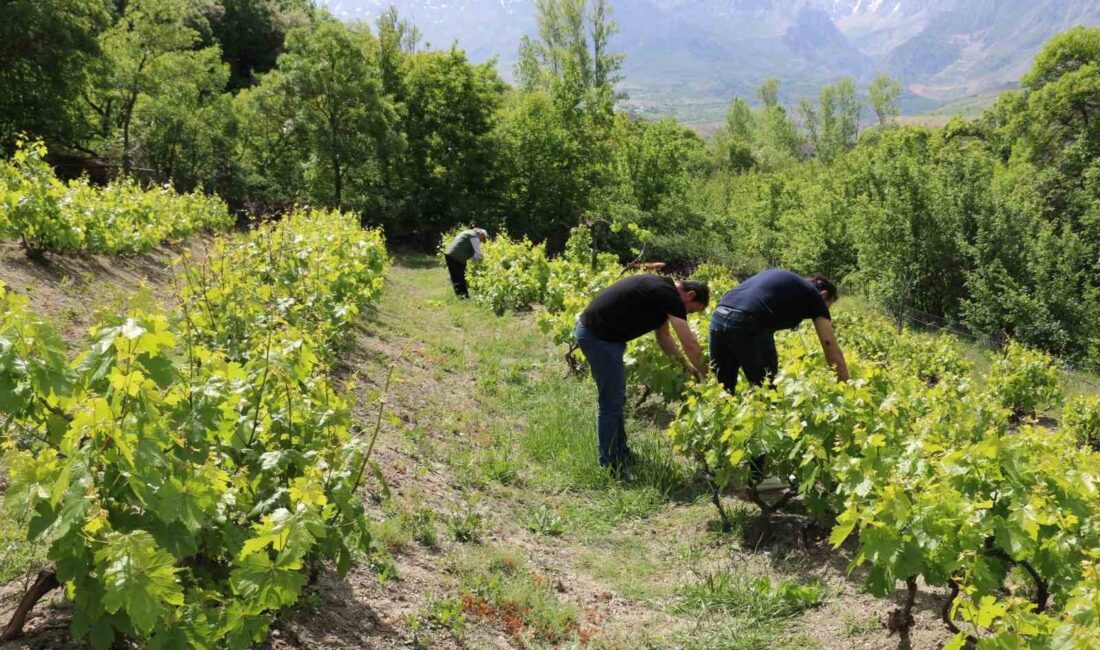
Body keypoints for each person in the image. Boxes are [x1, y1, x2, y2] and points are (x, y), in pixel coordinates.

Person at [575, 274, 711, 470]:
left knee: (616, 400)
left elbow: (664, 338)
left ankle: (621, 454)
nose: (685, 314)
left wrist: (687, 366)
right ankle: (611, 465)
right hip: (599, 339)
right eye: (690, 310)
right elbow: (689, 343)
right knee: (610, 403)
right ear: (689, 295)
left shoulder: (662, 290)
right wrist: (706, 374)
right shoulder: (669, 295)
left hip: (604, 338)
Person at [709, 269, 849, 394]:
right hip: (749, 323)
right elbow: (830, 346)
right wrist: (846, 390)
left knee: (723, 391)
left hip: (718, 317)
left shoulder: (787, 283)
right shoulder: (814, 296)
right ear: (824, 295)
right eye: (828, 307)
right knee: (766, 391)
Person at [443, 228, 488, 298]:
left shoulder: (467, 232)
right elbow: (478, 254)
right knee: (460, 277)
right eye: (482, 239)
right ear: (481, 235)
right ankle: (464, 297)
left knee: (455, 277)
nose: (481, 241)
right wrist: (482, 264)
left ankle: (460, 296)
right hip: (457, 256)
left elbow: (472, 253)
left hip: (449, 254)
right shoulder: (474, 236)